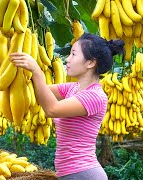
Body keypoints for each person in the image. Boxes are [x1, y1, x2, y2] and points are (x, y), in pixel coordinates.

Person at [9, 33, 125, 180]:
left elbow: (52, 109)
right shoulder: (72, 89)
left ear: (90, 63)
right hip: (71, 174)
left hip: (84, 174)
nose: (67, 59)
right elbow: (38, 91)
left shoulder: (95, 96)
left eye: (73, 54)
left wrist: (37, 71)